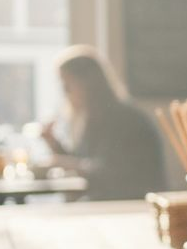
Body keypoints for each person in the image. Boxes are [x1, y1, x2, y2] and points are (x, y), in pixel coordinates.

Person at [41, 45, 165, 201]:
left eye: (67, 86)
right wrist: (53, 143)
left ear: (88, 83)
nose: (65, 94)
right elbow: (84, 160)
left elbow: (109, 174)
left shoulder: (124, 120)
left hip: (131, 204)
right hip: (110, 201)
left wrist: (68, 163)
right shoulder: (96, 118)